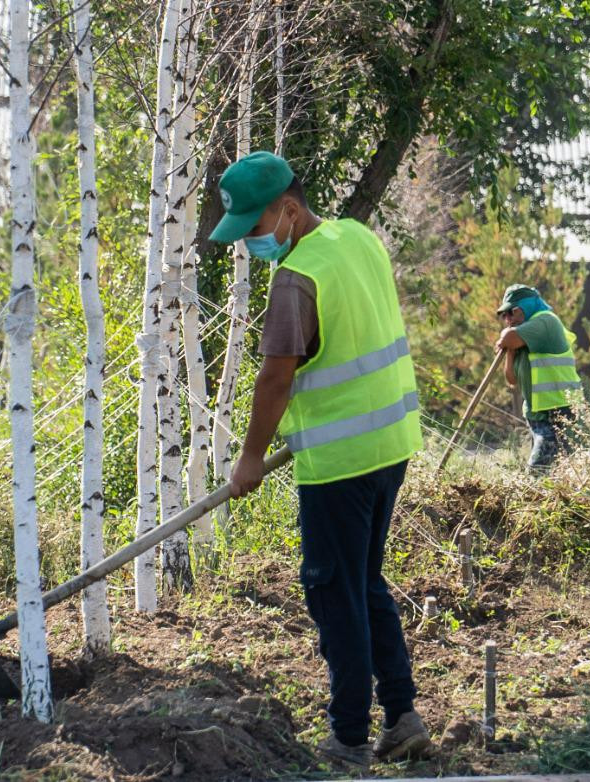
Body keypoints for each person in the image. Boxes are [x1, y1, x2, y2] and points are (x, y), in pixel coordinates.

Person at [211, 151, 432, 771]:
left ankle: (347, 741)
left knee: (336, 593)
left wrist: (250, 458)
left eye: (254, 229)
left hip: (340, 461)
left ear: (287, 210)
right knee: (364, 582)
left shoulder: (295, 278)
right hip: (390, 445)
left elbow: (275, 379)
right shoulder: (356, 238)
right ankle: (402, 717)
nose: (252, 242)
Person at [493, 284, 582, 471]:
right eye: (504, 316)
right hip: (538, 413)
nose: (507, 319)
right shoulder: (523, 338)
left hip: (559, 409)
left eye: (511, 312)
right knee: (554, 469)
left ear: (525, 307)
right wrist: (509, 352)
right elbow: (512, 380)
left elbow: (508, 336)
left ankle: (530, 495)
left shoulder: (546, 321)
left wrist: (506, 340)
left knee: (539, 470)